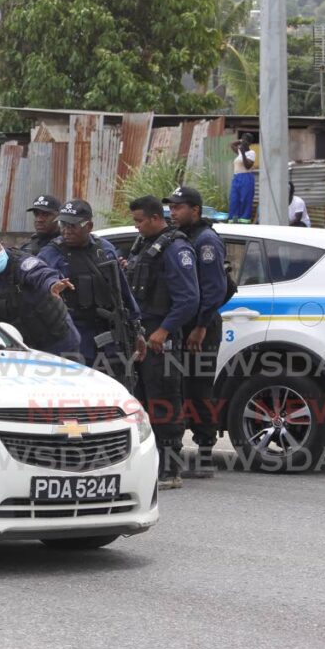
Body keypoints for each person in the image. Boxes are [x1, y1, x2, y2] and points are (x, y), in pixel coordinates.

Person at [125, 196, 200, 490]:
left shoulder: (177, 248)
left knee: (164, 400)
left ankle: (170, 469)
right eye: (135, 221)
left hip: (161, 337)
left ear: (157, 218)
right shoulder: (143, 245)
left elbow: (189, 299)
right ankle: (150, 465)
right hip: (143, 335)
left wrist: (165, 331)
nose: (137, 226)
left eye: (140, 220)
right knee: (141, 399)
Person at [37, 199, 146, 387]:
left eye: (73, 225)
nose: (66, 230)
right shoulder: (50, 254)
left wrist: (137, 330)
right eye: (63, 224)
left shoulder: (104, 249)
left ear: (89, 226)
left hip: (110, 339)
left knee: (118, 389)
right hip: (74, 337)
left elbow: (122, 292)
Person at [166, 187, 230, 478]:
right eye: (171, 207)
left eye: (179, 207)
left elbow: (215, 288)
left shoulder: (206, 241)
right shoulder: (182, 238)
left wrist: (201, 326)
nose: (173, 212)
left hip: (201, 328)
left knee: (199, 388)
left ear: (195, 210)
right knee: (180, 387)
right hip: (185, 325)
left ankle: (204, 454)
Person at [0, 225, 81, 358]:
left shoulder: (22, 263)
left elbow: (41, 273)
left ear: (1, 243)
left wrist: (53, 284)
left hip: (59, 344)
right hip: (25, 352)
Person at [228, 133, 256, 223]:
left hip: (246, 177)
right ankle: (233, 220)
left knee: (245, 199)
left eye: (246, 140)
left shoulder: (251, 153)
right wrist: (240, 141)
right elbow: (232, 144)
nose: (243, 142)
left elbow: (248, 166)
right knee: (234, 199)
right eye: (243, 139)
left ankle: (244, 221)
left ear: (250, 143)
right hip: (236, 177)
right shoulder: (239, 152)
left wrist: (244, 154)